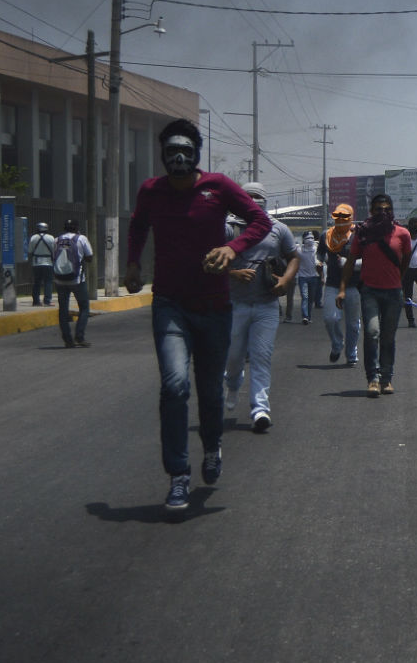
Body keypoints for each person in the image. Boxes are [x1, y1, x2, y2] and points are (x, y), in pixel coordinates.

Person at [124, 118, 272, 510]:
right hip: (169, 304)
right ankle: (178, 475)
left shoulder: (218, 187)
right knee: (174, 386)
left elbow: (261, 221)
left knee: (208, 389)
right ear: (162, 154)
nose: (178, 158)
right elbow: (138, 225)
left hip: (214, 307)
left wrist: (232, 248)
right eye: (171, 151)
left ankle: (211, 445)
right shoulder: (151, 191)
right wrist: (133, 262)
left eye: (185, 151)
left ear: (196, 155)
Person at [223, 184, 299, 432]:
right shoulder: (229, 228)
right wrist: (233, 273)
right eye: (248, 197)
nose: (254, 201)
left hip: (266, 305)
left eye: (258, 197)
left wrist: (286, 280)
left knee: (261, 357)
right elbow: (210, 259)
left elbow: (293, 257)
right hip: (235, 304)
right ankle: (233, 384)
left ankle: (260, 409)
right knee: (233, 358)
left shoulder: (278, 228)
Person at [338, 193, 411, 396]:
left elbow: (405, 259)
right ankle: (373, 378)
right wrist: (342, 289)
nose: (383, 212)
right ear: (371, 211)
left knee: (388, 337)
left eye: (387, 209)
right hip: (370, 291)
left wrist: (398, 278)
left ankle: (386, 379)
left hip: (393, 293)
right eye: (379, 209)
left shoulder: (402, 234)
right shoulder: (363, 233)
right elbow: (350, 262)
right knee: (372, 332)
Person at [320, 204, 361, 365]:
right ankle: (337, 344)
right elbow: (320, 255)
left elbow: (368, 260)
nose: (341, 220)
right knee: (330, 318)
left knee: (353, 324)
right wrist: (319, 263)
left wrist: (350, 263)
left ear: (351, 217)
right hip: (332, 284)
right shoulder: (326, 236)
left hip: (353, 285)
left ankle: (351, 354)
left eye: (344, 217)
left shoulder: (357, 236)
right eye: (338, 217)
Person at [54, 218, 94, 348]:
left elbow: (53, 257)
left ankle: (67, 340)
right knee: (84, 308)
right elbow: (90, 257)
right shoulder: (81, 239)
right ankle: (79, 336)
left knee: (63, 310)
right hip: (76, 280)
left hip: (59, 279)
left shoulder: (57, 240)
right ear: (77, 228)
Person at [26, 221, 56, 306]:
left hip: (36, 263)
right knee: (48, 282)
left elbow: (30, 250)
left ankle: (36, 301)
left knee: (37, 282)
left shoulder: (33, 238)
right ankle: (47, 301)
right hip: (48, 263)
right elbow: (54, 250)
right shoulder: (51, 238)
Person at [295, 230, 322, 325]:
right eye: (308, 238)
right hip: (302, 277)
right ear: (303, 239)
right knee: (305, 297)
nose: (310, 240)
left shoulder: (316, 248)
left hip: (313, 277)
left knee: (311, 299)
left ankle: (309, 316)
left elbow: (321, 257)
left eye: (311, 238)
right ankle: (305, 316)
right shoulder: (299, 250)